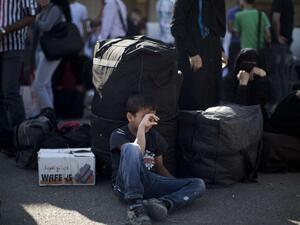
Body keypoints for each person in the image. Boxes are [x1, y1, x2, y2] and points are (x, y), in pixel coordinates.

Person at [110, 94, 205, 225]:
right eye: (144, 117)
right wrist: (142, 128)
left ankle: (162, 203)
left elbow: (159, 167)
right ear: (130, 117)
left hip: (149, 182)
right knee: (131, 148)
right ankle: (135, 206)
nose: (148, 121)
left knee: (198, 184)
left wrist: (176, 185)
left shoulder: (155, 137)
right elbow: (137, 150)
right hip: (125, 185)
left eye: (151, 117)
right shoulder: (118, 135)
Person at [171, 0, 226, 110]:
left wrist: (220, 50)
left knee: (212, 100)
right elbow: (177, 26)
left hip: (212, 55)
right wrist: (192, 53)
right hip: (193, 54)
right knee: (193, 99)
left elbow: (215, 27)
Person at [0, 0, 37, 133]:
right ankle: (6, 140)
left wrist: (5, 30)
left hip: (13, 46)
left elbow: (31, 15)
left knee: (10, 92)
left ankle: (21, 137)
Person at [32, 0, 65, 112]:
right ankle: (51, 116)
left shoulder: (54, 9)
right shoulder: (41, 10)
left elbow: (47, 27)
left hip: (51, 51)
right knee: (46, 84)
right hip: (41, 50)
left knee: (39, 85)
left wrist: (34, 20)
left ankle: (49, 113)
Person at [268, 0, 295, 103]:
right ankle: (287, 102)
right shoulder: (290, 2)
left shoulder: (278, 2)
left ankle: (279, 103)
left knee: (277, 74)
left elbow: (275, 19)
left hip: (278, 43)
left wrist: (277, 36)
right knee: (284, 74)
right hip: (287, 41)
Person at [227, 0, 242, 76]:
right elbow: (230, 29)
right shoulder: (232, 12)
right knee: (233, 65)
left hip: (246, 43)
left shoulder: (248, 11)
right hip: (235, 42)